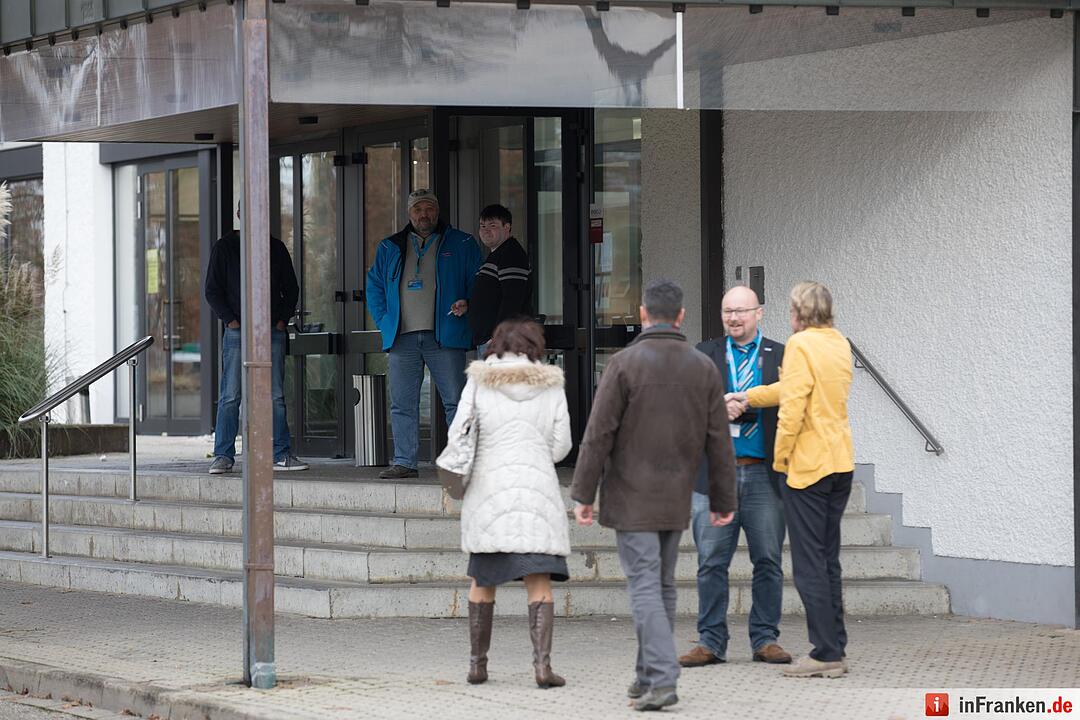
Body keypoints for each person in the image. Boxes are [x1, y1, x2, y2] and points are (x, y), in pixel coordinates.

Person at [570, 279, 737, 712]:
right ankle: (647, 674)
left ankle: (662, 679)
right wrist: (723, 499)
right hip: (677, 495)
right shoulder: (703, 367)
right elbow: (719, 440)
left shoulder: (623, 364)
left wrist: (583, 493)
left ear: (643, 314)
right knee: (661, 585)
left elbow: (598, 433)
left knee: (646, 586)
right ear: (680, 316)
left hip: (631, 496)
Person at [730, 281, 854, 678]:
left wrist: (780, 460)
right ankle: (836, 646)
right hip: (840, 461)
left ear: (798, 313)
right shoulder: (838, 342)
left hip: (808, 467)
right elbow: (793, 388)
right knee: (828, 559)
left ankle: (825, 653)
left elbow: (793, 408)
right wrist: (750, 396)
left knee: (807, 564)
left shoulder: (800, 345)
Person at [679, 285, 791, 669]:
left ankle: (765, 639)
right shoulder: (703, 354)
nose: (734, 318)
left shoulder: (782, 355)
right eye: (728, 311)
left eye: (741, 311)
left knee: (769, 561)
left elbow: (798, 403)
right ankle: (710, 641)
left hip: (764, 474)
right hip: (715, 476)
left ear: (759, 313)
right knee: (711, 562)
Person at [456, 318, 572, 689]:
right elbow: (562, 445)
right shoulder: (550, 385)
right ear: (535, 347)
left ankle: (477, 665)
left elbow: (458, 433)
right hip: (537, 494)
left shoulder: (479, 382)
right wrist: (535, 456)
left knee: (482, 581)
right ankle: (542, 668)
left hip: (489, 495)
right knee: (539, 583)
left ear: (495, 345)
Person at [365, 189, 484, 479]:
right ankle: (405, 462)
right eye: (418, 209)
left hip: (445, 335)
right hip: (402, 338)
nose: (424, 215)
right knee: (402, 403)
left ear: (437, 211)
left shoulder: (462, 243)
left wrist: (469, 302)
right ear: (409, 214)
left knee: (456, 401)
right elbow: (374, 286)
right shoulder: (390, 246)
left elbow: (479, 281)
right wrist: (385, 320)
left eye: (429, 208)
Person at [204, 218, 308, 474]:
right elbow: (212, 290)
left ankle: (281, 454)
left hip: (271, 330)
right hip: (237, 332)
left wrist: (281, 320)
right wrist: (231, 321)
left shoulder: (276, 247)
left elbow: (291, 288)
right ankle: (223, 456)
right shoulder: (225, 247)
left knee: (275, 396)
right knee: (230, 395)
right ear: (240, 213)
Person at [468, 204, 531, 354]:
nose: (485, 230)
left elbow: (513, 299)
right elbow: (493, 296)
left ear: (507, 227)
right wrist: (469, 305)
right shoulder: (497, 254)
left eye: (492, 225)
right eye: (482, 226)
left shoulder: (511, 254)